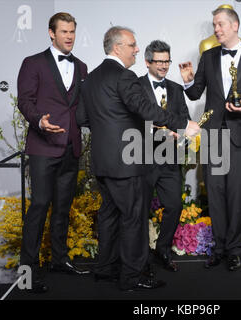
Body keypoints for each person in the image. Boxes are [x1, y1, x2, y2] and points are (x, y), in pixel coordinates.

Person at [76, 26, 200, 291]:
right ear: (117, 47)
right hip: (127, 162)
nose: (135, 49)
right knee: (133, 219)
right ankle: (132, 277)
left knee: (109, 216)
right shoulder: (125, 76)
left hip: (102, 161)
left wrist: (113, 127)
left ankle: (105, 269)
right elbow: (145, 109)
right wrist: (183, 123)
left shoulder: (91, 79)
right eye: (132, 45)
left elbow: (82, 119)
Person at [179, 7, 241, 271]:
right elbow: (196, 93)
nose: (216, 29)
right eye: (214, 25)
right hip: (213, 134)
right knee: (216, 192)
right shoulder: (208, 57)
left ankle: (235, 248)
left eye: (220, 25)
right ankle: (219, 248)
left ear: (235, 25)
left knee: (236, 193)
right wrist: (187, 82)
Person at [17, 12, 89, 293]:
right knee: (39, 207)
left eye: (72, 31)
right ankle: (27, 272)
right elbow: (25, 99)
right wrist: (38, 120)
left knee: (62, 208)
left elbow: (81, 106)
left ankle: (59, 260)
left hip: (71, 147)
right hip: (43, 147)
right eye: (64, 32)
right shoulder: (33, 63)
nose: (69, 36)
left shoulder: (82, 66)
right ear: (51, 33)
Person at [139, 40, 191, 272]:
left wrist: (179, 135)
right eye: (158, 61)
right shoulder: (135, 86)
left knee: (175, 205)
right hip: (142, 159)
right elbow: (131, 120)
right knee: (139, 210)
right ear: (147, 61)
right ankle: (139, 257)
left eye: (166, 61)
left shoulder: (177, 89)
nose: (163, 66)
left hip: (170, 159)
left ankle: (163, 248)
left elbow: (185, 118)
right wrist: (156, 131)